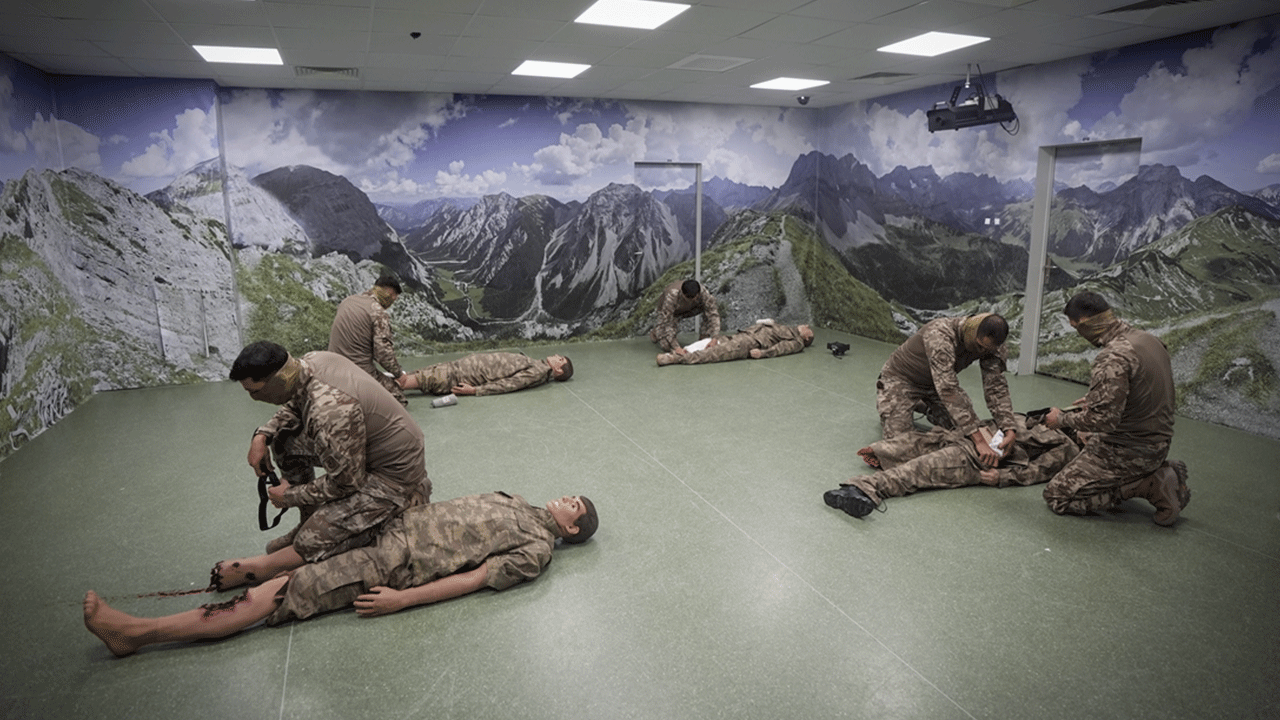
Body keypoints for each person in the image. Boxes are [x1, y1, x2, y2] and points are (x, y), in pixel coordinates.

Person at [83, 492, 598, 657]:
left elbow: (476, 578)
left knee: (282, 593)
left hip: (393, 565)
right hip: (388, 526)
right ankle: (249, 568)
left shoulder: (535, 550)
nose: (564, 499)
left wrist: (404, 601)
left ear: (572, 530)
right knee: (300, 544)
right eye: (570, 494)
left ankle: (135, 633)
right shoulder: (520, 502)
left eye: (573, 506)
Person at [220, 341, 431, 590]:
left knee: (311, 540)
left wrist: (290, 496)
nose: (253, 399)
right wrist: (262, 435)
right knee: (282, 439)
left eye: (255, 391)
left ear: (278, 381)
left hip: (393, 477)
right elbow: (295, 403)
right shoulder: (310, 362)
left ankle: (408, 500)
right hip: (366, 453)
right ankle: (310, 517)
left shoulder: (329, 412)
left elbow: (346, 482)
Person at [1042, 292, 1189, 526]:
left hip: (1130, 450)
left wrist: (1061, 419)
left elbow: (1104, 421)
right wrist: (1099, 397)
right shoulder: (1149, 340)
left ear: (1084, 323)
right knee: (1084, 441)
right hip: (1157, 443)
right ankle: (1152, 472)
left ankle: (1150, 484)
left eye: (1075, 326)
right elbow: (1143, 388)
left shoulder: (1112, 357)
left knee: (1057, 496)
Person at [824, 414, 1080, 518]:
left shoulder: (1067, 445)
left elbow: (1039, 470)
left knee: (919, 470)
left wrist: (1003, 477)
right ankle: (882, 455)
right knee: (903, 444)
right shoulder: (1041, 420)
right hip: (966, 436)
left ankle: (864, 489)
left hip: (977, 459)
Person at [871, 313, 1017, 470]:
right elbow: (948, 389)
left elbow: (995, 387)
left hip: (936, 385)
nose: (981, 351)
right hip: (901, 381)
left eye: (986, 349)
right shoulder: (939, 335)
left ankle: (923, 406)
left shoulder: (994, 345)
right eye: (979, 346)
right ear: (971, 331)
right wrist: (979, 440)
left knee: (964, 434)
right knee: (901, 446)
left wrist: (1008, 427)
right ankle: (899, 402)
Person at [328, 274, 407, 405]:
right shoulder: (378, 312)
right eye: (394, 297)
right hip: (357, 372)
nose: (393, 301)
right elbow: (382, 353)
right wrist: (399, 374)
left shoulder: (348, 301)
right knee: (398, 397)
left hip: (334, 369)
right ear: (390, 293)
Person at [397, 352, 573, 397]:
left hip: (457, 375)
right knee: (403, 377)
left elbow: (510, 384)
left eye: (560, 359)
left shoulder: (539, 371)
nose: (557, 356)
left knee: (403, 382)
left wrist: (475, 391)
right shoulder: (538, 365)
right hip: (456, 368)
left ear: (558, 371)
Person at [656, 320, 813, 366]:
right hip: (742, 336)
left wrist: (763, 354)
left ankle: (674, 359)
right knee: (709, 343)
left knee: (713, 354)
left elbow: (782, 348)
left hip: (748, 344)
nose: (806, 325)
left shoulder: (797, 341)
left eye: (808, 329)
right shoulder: (785, 327)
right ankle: (682, 351)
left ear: (806, 338)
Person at [649, 279, 721, 354]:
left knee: (708, 310)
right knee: (666, 346)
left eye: (694, 298)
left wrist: (714, 338)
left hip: (691, 309)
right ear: (682, 294)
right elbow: (666, 322)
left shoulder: (703, 292)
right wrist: (677, 347)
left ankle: (705, 335)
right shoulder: (672, 295)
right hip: (672, 312)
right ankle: (656, 332)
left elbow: (713, 314)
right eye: (688, 298)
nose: (691, 300)